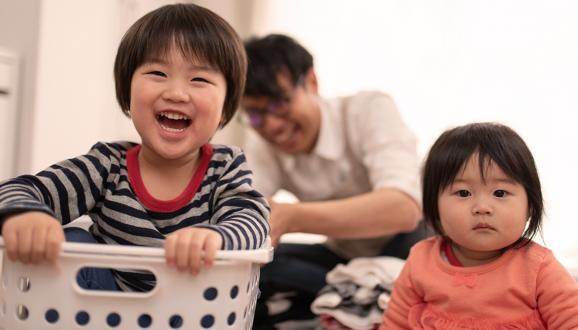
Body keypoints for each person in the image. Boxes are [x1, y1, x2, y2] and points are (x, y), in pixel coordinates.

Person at [0, 3, 269, 292]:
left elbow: (253, 219)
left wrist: (215, 237)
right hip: (103, 311)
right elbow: (18, 189)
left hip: (192, 309)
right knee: (71, 241)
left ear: (226, 110)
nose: (176, 93)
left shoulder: (225, 167)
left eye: (199, 79)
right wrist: (27, 216)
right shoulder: (106, 166)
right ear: (126, 92)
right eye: (157, 73)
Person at [240, 34, 427, 328]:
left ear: (312, 82)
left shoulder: (367, 110)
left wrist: (291, 217)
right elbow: (243, 205)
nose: (272, 125)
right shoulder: (264, 147)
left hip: (407, 248)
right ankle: (355, 298)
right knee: (250, 269)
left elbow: (404, 208)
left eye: (280, 103)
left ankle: (354, 298)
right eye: (255, 114)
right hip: (343, 257)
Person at [380, 122, 578, 329]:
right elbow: (395, 324)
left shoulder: (539, 268)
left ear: (530, 205)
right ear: (433, 204)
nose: (482, 208)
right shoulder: (421, 261)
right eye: (463, 193)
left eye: (500, 193)